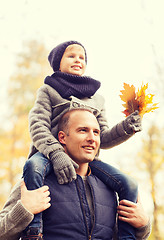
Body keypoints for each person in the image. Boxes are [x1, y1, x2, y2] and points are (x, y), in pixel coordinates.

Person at [22, 40, 142, 239]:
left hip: (86, 160)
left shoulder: (96, 98)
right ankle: (34, 229)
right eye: (71, 56)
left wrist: (126, 127)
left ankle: (126, 236)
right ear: (57, 63)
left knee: (129, 183)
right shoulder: (48, 91)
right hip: (49, 154)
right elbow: (38, 126)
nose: (78, 60)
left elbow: (102, 137)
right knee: (32, 168)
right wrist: (56, 153)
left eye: (82, 57)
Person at [0, 109, 151, 240]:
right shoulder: (35, 184)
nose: (92, 138)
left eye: (96, 132)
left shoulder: (110, 187)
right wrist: (24, 210)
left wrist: (143, 226)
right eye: (83, 130)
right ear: (62, 138)